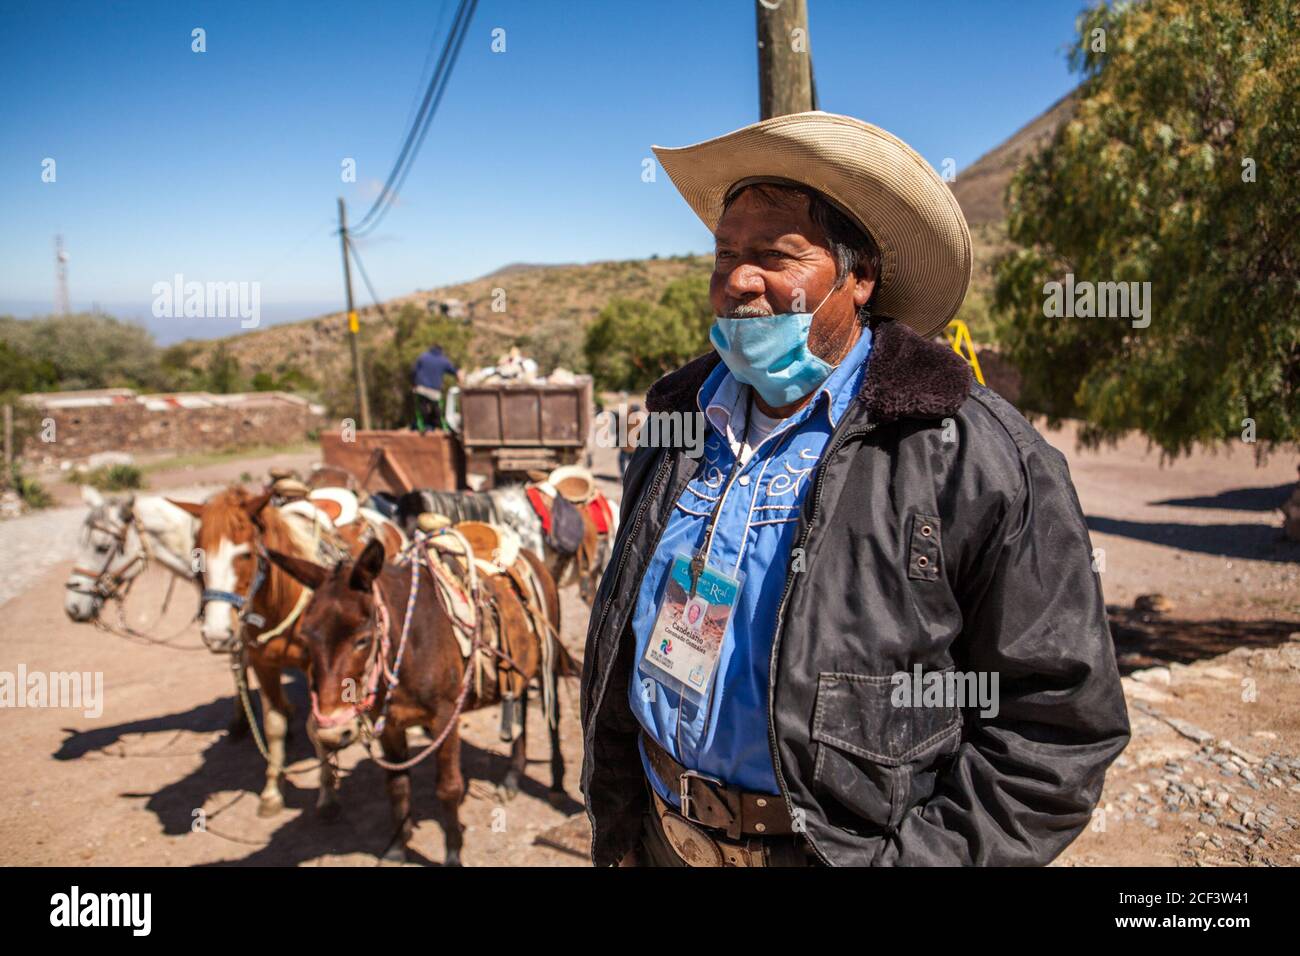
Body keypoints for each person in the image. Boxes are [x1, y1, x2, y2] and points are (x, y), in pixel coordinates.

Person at [579, 111, 1130, 867]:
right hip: (659, 836)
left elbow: (1055, 730)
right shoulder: (674, 428)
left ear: (858, 276)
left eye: (776, 254)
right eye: (725, 254)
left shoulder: (969, 456)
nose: (738, 279)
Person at [411, 343, 457, 432]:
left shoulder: (423, 357)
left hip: (421, 388)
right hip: (435, 392)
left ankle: (422, 427)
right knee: (437, 410)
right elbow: (454, 371)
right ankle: (440, 427)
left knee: (421, 409)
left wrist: (413, 383)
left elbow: (413, 371)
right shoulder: (443, 360)